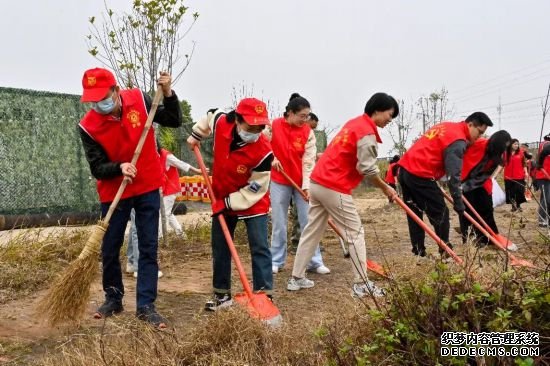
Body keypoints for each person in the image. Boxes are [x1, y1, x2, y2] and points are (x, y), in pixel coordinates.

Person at [79, 67, 182, 328]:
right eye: (93, 99)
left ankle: (146, 305)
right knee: (110, 247)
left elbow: (173, 118)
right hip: (115, 191)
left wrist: (168, 92)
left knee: (148, 246)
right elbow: (96, 167)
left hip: (147, 184)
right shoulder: (88, 126)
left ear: (115, 90)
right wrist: (119, 167)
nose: (98, 104)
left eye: (103, 96)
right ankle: (113, 298)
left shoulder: (140, 99)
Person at [287, 92, 398, 298]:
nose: (390, 120)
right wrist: (386, 188)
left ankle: (296, 277)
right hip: (333, 185)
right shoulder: (366, 133)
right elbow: (368, 169)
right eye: (390, 115)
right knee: (355, 233)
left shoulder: (354, 123)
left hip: (318, 181)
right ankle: (361, 284)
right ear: (378, 110)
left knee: (312, 231)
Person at [186, 98, 274, 311]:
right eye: (251, 126)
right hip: (221, 195)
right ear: (237, 120)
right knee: (220, 246)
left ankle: (264, 297)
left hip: (252, 202)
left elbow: (256, 188)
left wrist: (228, 202)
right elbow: (210, 113)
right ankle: (221, 296)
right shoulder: (222, 123)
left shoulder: (263, 151)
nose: (256, 131)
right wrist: (197, 134)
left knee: (259, 245)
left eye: (260, 127)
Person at [397, 112, 493, 261]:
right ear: (470, 124)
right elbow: (453, 175)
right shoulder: (458, 140)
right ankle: (445, 250)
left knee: (414, 212)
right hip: (419, 173)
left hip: (404, 169)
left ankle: (418, 252)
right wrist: (458, 201)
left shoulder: (448, 126)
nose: (479, 137)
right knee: (441, 212)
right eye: (479, 132)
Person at [270, 94, 329, 275]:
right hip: (279, 179)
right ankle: (276, 260)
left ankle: (314, 261)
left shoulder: (307, 133)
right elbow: (261, 144)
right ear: (290, 113)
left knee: (308, 221)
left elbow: (308, 161)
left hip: (301, 181)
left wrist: (306, 186)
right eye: (302, 116)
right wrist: (270, 158)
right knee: (279, 222)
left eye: (307, 116)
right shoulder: (273, 126)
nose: (306, 119)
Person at [459, 131, 512, 247]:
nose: (503, 149)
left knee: (486, 210)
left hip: (483, 183)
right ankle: (469, 239)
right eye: (503, 146)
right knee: (467, 211)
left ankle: (488, 239)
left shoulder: (500, 153)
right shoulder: (478, 143)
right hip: (466, 182)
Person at [289, 112, 326, 253]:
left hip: (313, 177)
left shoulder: (317, 136)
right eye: (311, 125)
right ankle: (296, 242)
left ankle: (314, 243)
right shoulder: (295, 132)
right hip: (297, 177)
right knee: (298, 212)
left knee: (314, 211)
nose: (312, 129)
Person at [158, 145, 203, 239]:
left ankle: (160, 237)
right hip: (163, 189)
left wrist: (197, 171)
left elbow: (181, 164)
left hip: (170, 189)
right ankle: (181, 234)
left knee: (163, 214)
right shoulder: (155, 155)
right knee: (167, 213)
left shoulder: (166, 156)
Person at [503, 139, 528, 212]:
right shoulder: (506, 153)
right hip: (508, 176)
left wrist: (526, 172)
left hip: (519, 176)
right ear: (511, 144)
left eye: (517, 144)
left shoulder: (521, 153)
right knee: (510, 192)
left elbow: (524, 164)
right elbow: (502, 164)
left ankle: (518, 206)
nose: (516, 145)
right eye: (515, 144)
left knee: (519, 191)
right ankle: (513, 206)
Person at [535, 133, 550, 227]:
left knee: (546, 198)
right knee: (546, 199)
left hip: (546, 176)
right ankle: (542, 220)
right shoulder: (546, 145)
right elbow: (540, 163)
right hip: (543, 176)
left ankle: (546, 218)